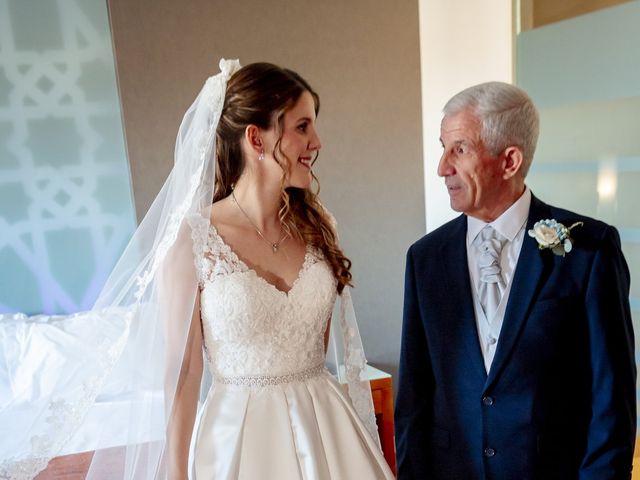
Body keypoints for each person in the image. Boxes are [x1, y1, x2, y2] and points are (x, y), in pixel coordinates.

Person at [0, 60, 394, 480]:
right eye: (302, 127)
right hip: (238, 440)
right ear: (256, 138)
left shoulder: (318, 228)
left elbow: (321, 341)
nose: (317, 141)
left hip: (326, 432)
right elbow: (184, 371)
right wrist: (176, 472)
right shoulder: (192, 240)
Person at [394, 81, 635, 479]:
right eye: (443, 147)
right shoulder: (425, 259)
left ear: (509, 161)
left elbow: (612, 401)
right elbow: (414, 401)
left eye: (460, 149)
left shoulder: (590, 250)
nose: (442, 167)